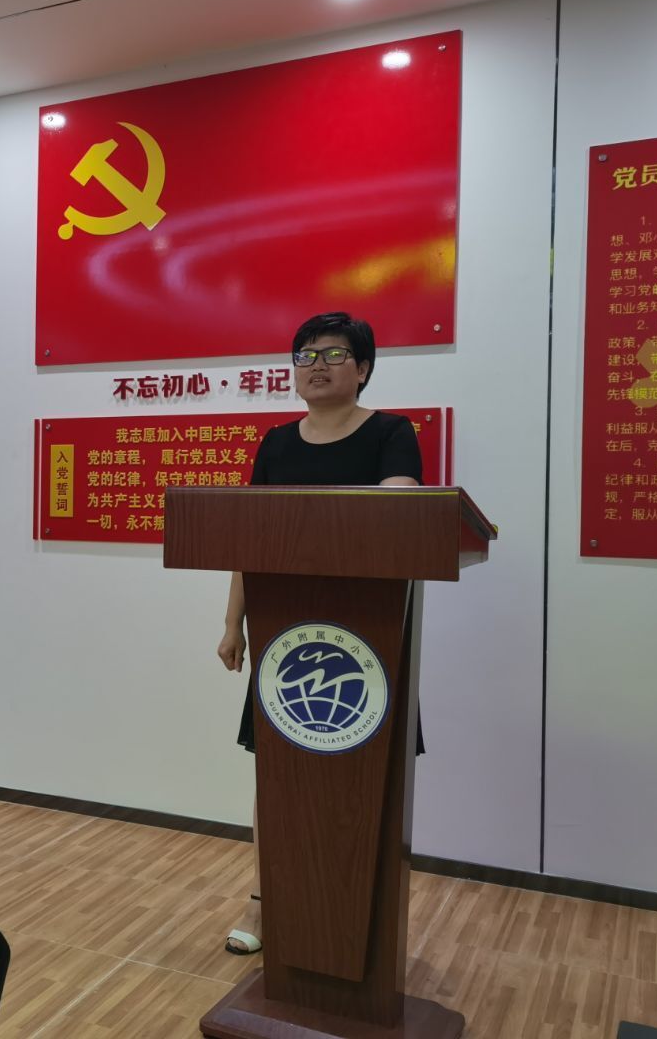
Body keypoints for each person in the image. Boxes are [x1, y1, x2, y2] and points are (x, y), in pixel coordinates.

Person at [216, 312, 421, 956]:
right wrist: (232, 623)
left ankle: (359, 908)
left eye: (334, 354)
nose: (317, 365)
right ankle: (264, 897)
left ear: (363, 369)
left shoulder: (392, 433)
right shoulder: (276, 443)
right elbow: (249, 541)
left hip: (366, 643)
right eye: (305, 355)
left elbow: (397, 515)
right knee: (278, 776)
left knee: (362, 783)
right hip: (286, 642)